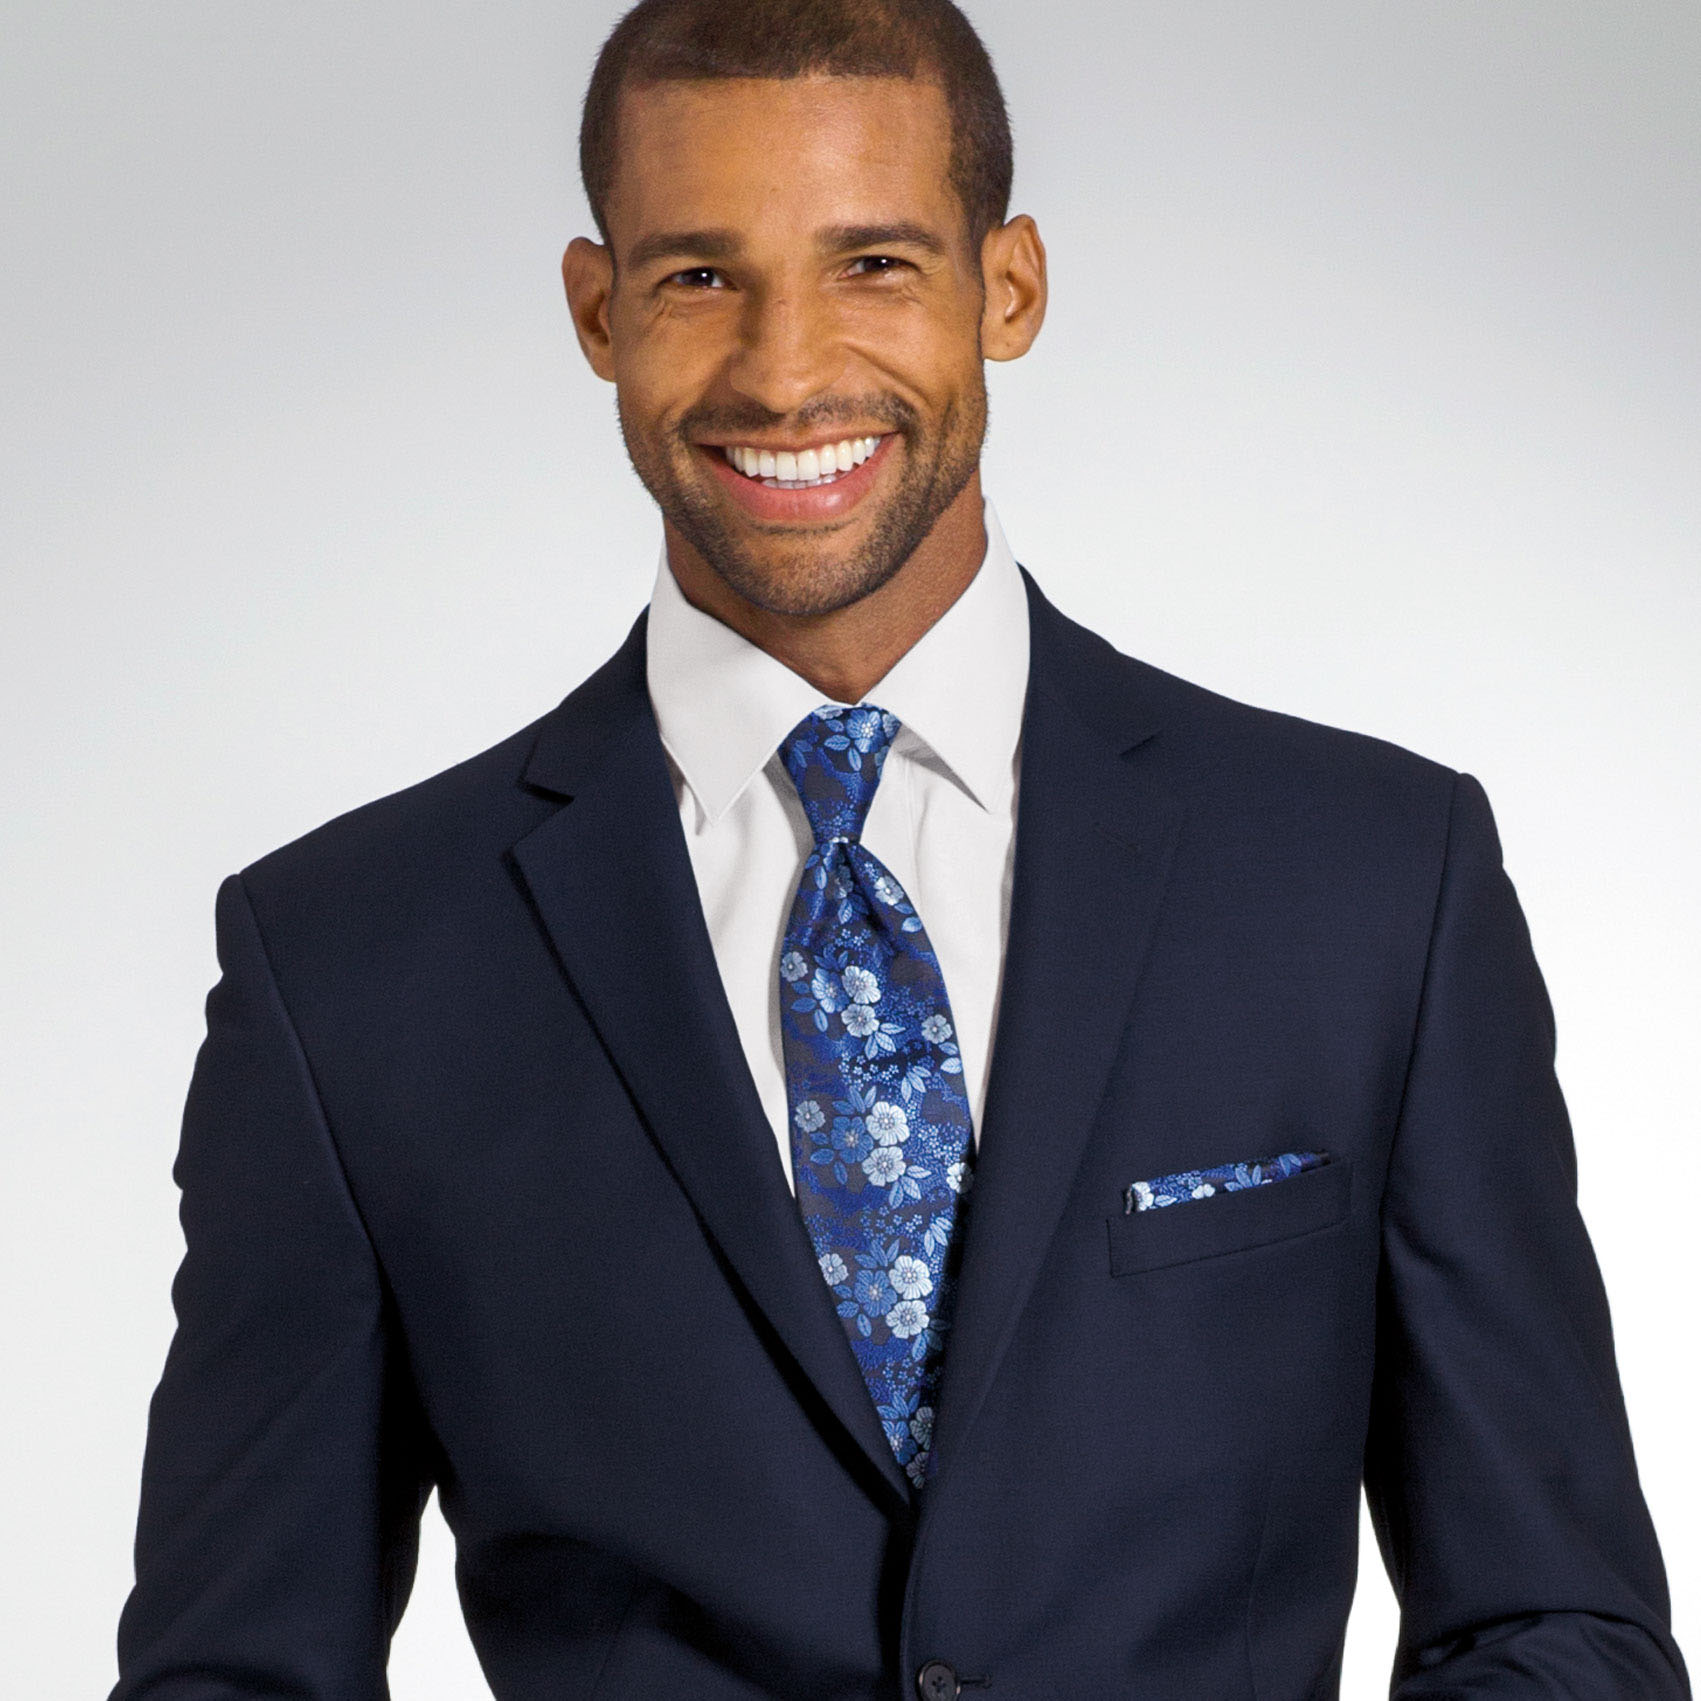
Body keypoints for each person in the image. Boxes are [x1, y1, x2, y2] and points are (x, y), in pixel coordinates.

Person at [110, 2, 1690, 1696]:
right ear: (595, 310)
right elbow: (235, 1669)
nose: (785, 371)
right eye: (698, 277)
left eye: (871, 262)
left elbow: (1558, 1626)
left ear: (1005, 287)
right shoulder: (348, 964)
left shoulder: (1372, 881)